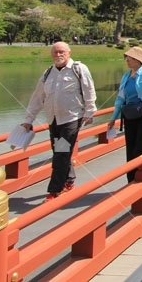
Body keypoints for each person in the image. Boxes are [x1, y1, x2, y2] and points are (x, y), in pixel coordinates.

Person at [21, 42, 96, 202]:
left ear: (69, 53)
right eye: (55, 52)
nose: (58, 55)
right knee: (60, 152)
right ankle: (68, 180)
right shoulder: (48, 73)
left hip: (71, 119)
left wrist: (89, 112)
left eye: (61, 52)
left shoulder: (78, 69)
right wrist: (28, 119)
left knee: (61, 153)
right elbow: (37, 97)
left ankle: (55, 189)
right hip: (54, 120)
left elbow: (89, 90)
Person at [107, 47, 142, 183]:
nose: (127, 61)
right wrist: (113, 117)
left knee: (140, 145)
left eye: (130, 58)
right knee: (130, 147)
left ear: (138, 59)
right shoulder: (126, 76)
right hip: (129, 115)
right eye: (126, 58)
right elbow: (120, 98)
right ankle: (131, 178)